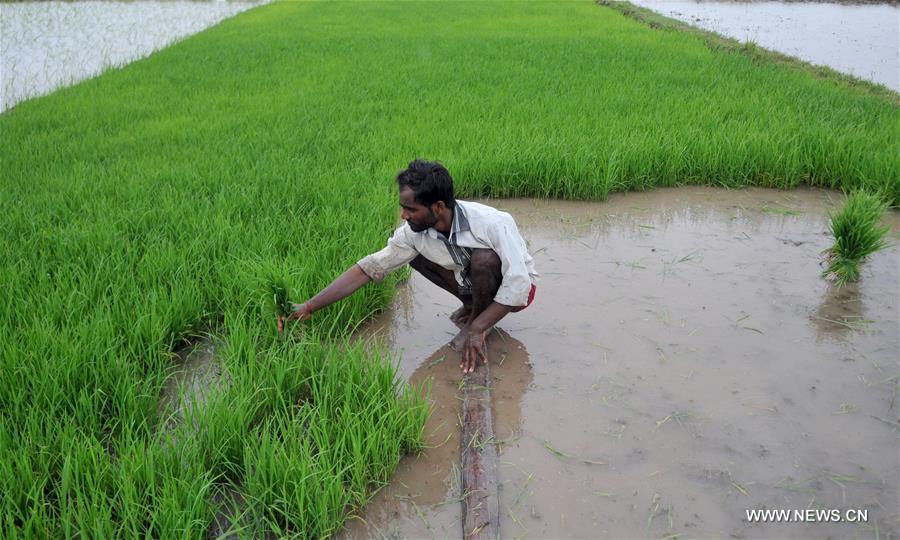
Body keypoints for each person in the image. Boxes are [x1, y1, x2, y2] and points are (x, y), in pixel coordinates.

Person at [277, 159, 538, 374]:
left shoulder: (494, 222)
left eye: (410, 209)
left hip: (514, 291)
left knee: (485, 259)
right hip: (467, 280)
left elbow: (519, 283)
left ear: (438, 206)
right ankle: (473, 308)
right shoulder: (414, 232)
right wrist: (310, 306)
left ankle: (478, 323)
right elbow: (370, 268)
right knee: (410, 255)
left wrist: (478, 327)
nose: (404, 215)